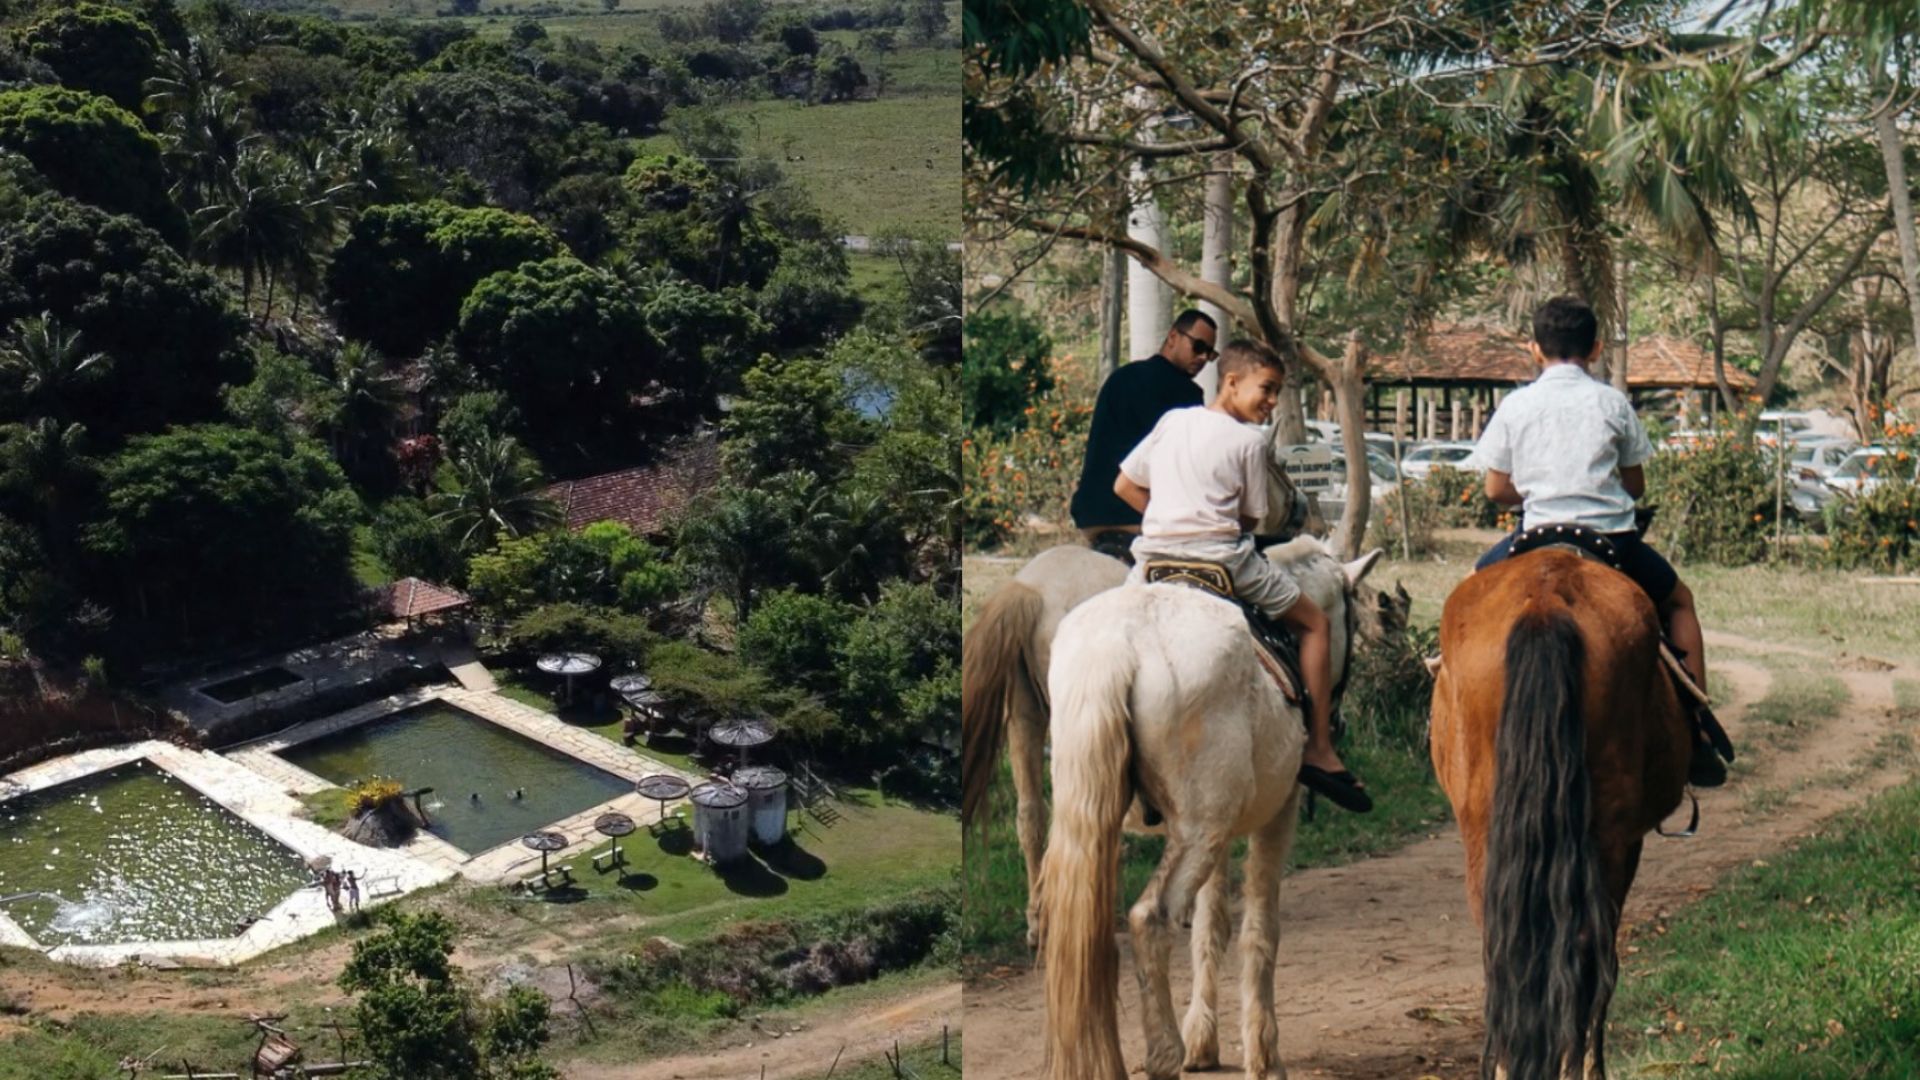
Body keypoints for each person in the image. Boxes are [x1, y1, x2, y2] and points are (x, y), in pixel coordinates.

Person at [1470, 296, 1727, 787]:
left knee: (1470, 595)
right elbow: (1635, 486)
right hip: (1611, 540)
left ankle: (1446, 696)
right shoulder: (1612, 402)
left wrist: (1540, 490)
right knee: (1679, 601)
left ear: (1534, 349)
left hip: (1534, 538)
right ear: (1596, 349)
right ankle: (1696, 723)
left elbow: (1496, 490)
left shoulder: (1516, 405)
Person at [1115, 339, 1371, 812]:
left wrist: (1171, 517)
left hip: (1154, 561)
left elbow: (1125, 484)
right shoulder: (1249, 441)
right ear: (1231, 382)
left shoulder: (1172, 421)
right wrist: (1203, 524)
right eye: (1266, 389)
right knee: (1316, 622)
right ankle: (1319, 747)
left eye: (1276, 392)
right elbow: (1252, 520)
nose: (1271, 401)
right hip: (1222, 563)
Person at [1071, 309, 1218, 560]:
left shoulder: (1121, 376)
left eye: (1210, 353)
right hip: (1134, 511)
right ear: (1173, 337)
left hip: (1090, 513)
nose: (1203, 357)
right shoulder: (1186, 393)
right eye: (1199, 347)